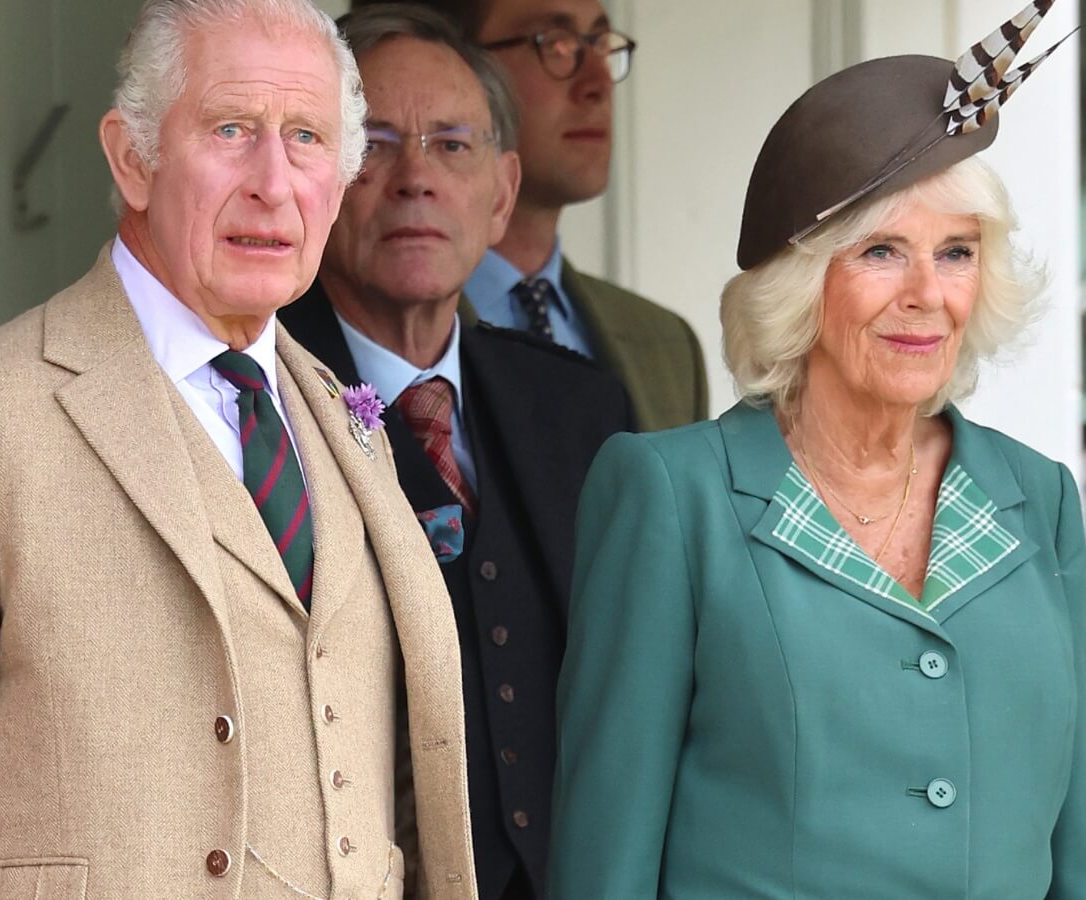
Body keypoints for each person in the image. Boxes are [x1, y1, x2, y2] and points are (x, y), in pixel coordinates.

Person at [0, 0, 478, 897]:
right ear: (132, 159)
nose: (273, 183)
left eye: (307, 138)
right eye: (232, 129)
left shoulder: (345, 417)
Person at [549, 7, 1083, 896]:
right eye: (881, 251)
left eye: (955, 253)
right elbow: (607, 861)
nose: (927, 295)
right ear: (801, 282)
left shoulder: (1042, 498)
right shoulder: (672, 497)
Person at [279, 6, 630, 898]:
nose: (416, 180)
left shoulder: (581, 406)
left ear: (502, 193)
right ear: (314, 178)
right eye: (377, 143)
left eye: (452, 146)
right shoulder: (252, 404)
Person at [355, 0, 706, 432]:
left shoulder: (666, 344)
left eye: (599, 44)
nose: (598, 82)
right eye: (553, 45)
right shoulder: (325, 330)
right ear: (452, 54)